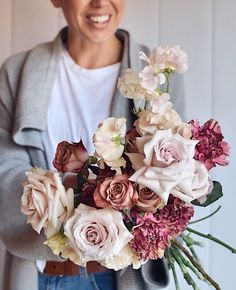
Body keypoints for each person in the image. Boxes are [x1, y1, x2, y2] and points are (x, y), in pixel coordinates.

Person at [0, 0, 185, 289]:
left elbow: (175, 181)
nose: (100, 2)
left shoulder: (156, 72)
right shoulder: (17, 73)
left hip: (122, 277)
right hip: (43, 275)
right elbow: (4, 176)